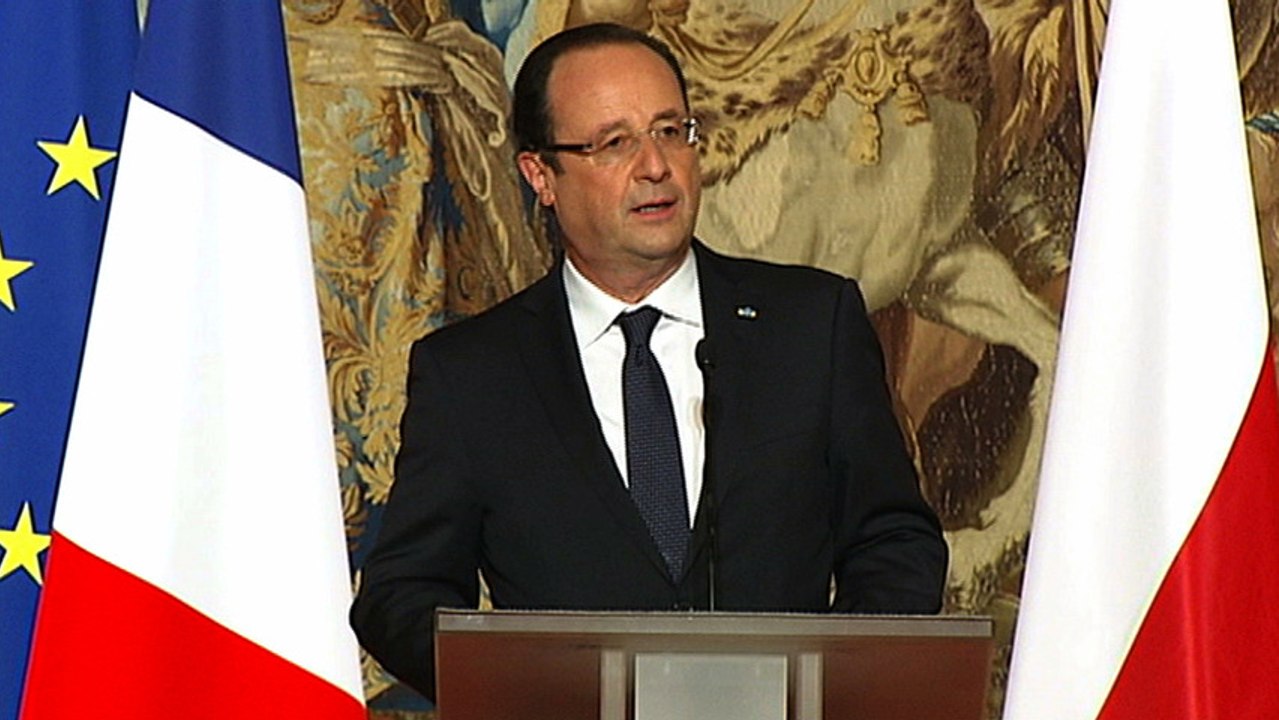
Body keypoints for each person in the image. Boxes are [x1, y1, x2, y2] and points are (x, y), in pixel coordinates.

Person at [349, 22, 947, 701]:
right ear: (541, 175)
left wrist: (824, 686)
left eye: (670, 131)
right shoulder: (472, 374)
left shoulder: (811, 324)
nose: (655, 165)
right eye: (613, 143)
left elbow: (894, 540)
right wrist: (533, 688)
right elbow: (398, 595)